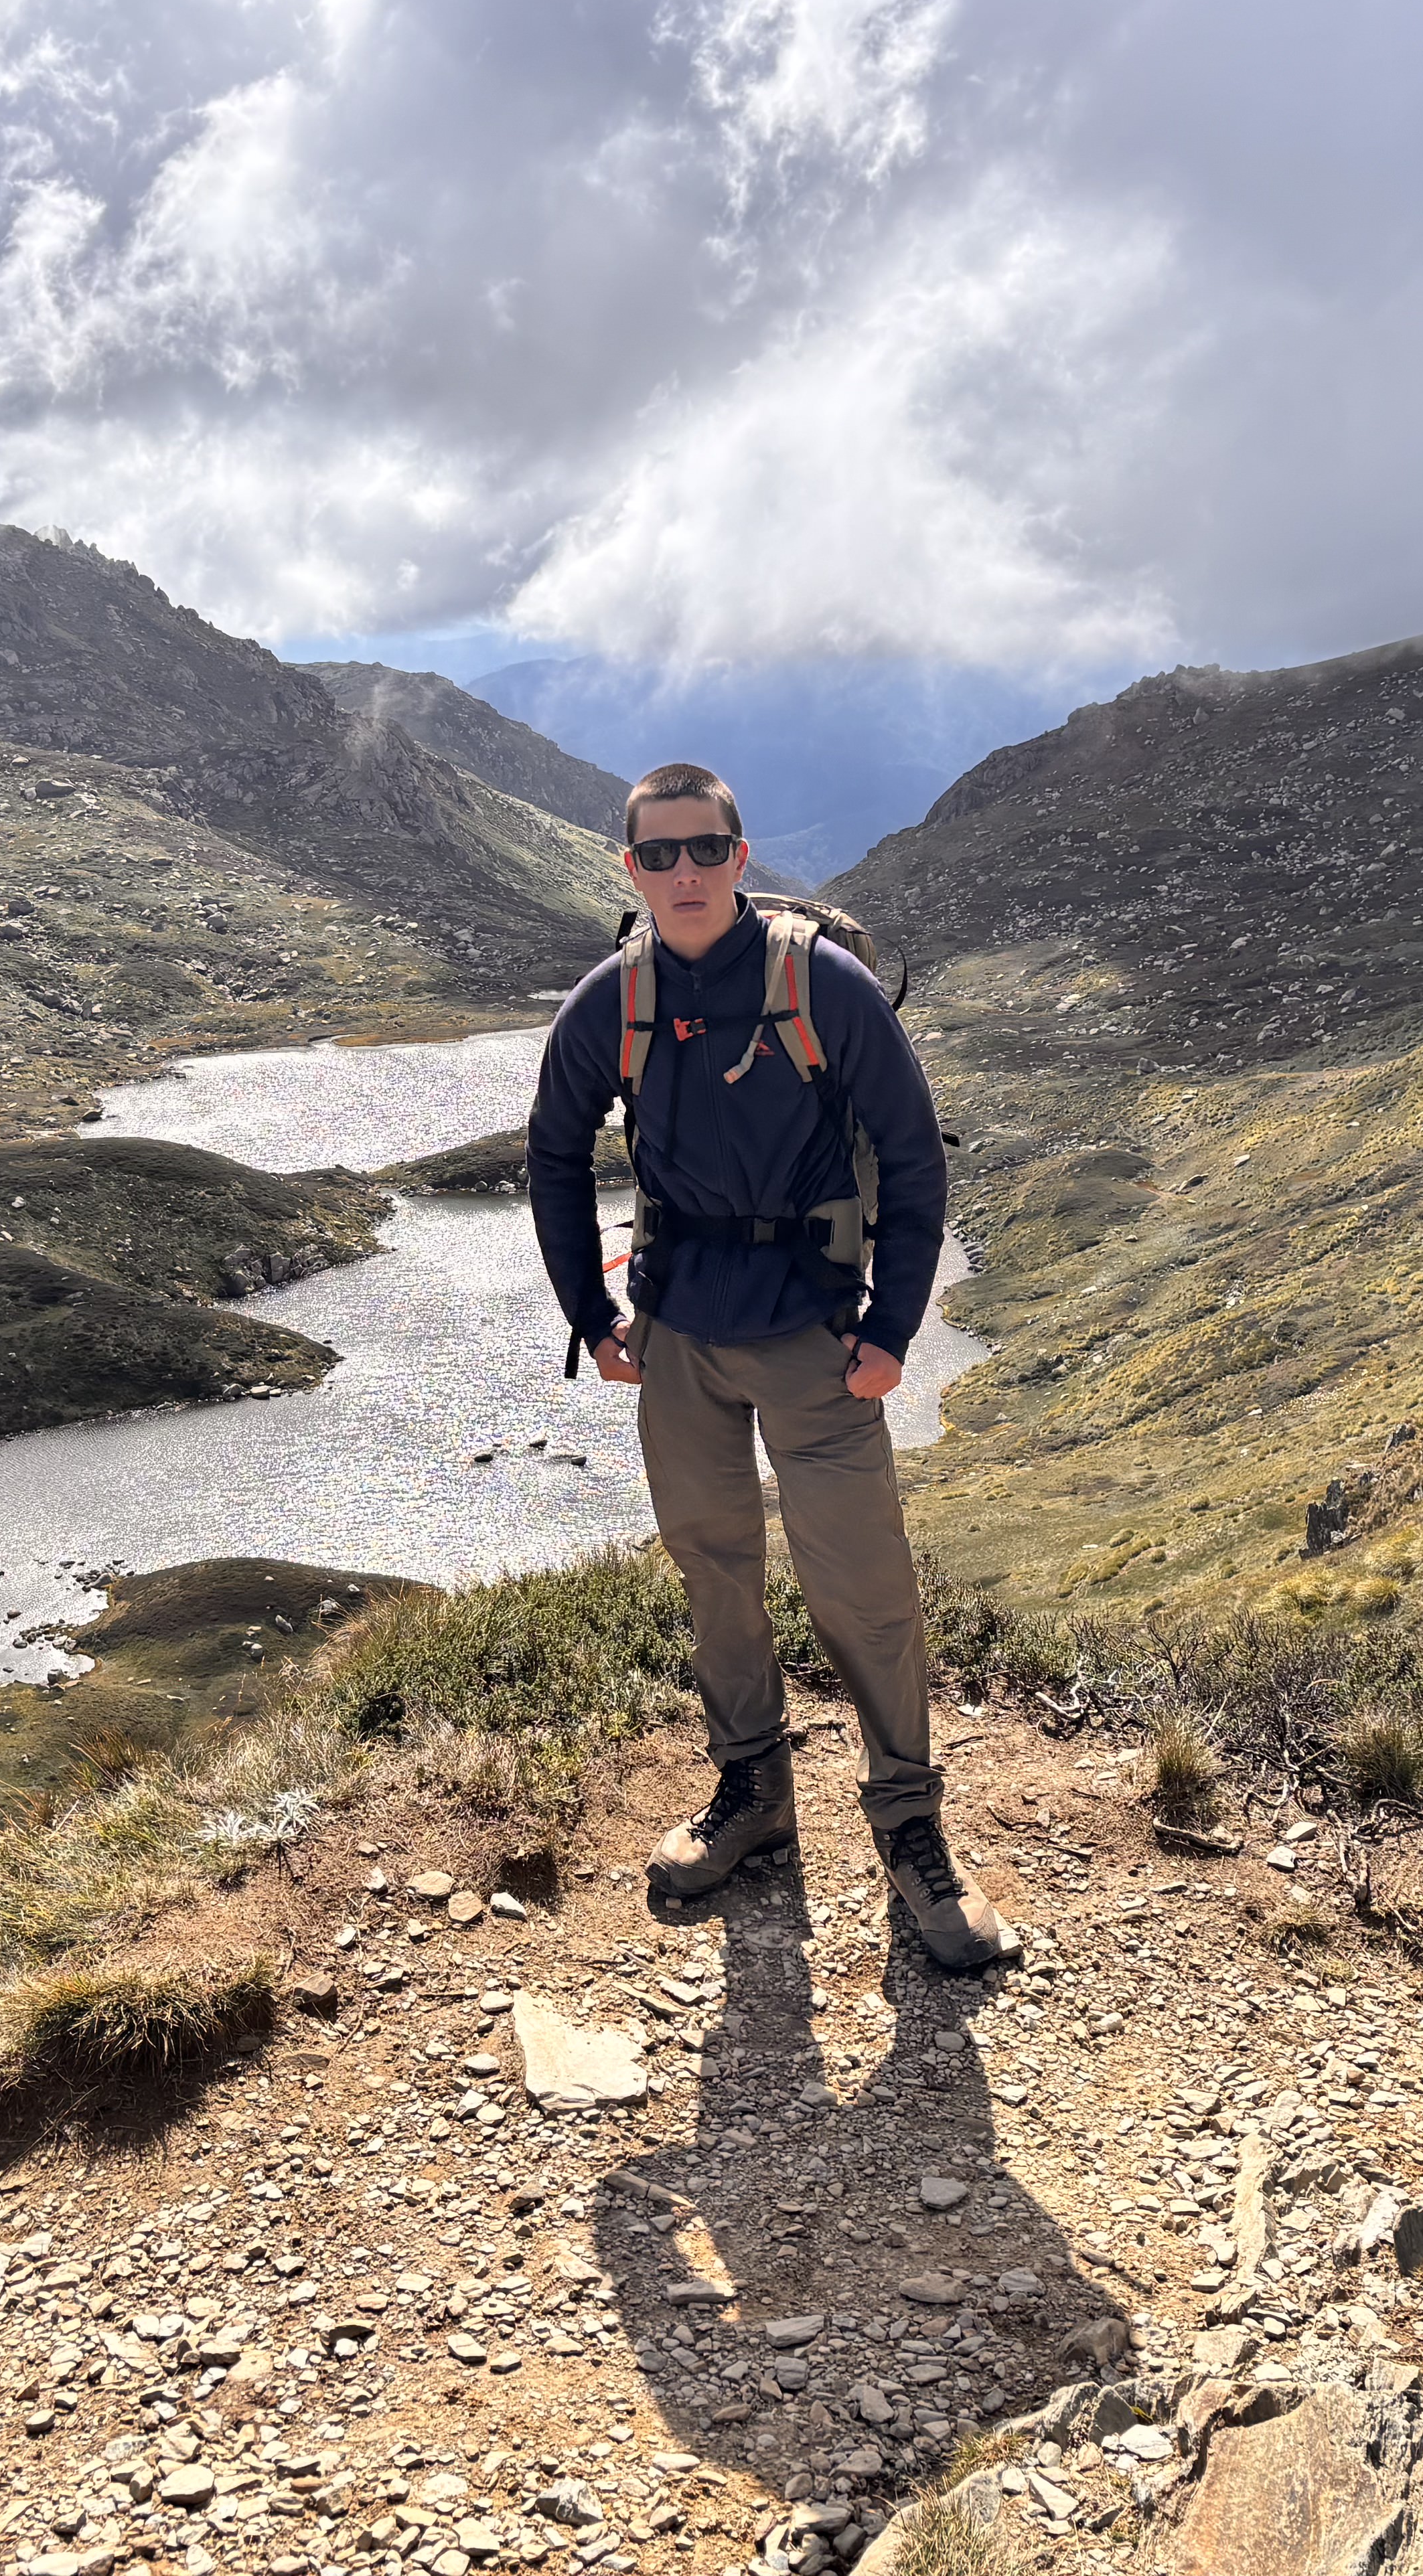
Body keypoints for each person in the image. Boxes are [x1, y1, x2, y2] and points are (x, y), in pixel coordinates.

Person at [524, 762, 1016, 1971]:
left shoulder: (819, 984)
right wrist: (593, 1316)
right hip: (680, 1333)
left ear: (741, 857)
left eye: (705, 849)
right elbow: (550, 1152)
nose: (683, 874)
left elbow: (911, 1154)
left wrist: (891, 1331)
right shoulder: (616, 999)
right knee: (714, 1573)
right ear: (629, 869)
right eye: (658, 856)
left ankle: (910, 1833)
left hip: (811, 1338)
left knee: (867, 1593)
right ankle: (755, 1795)